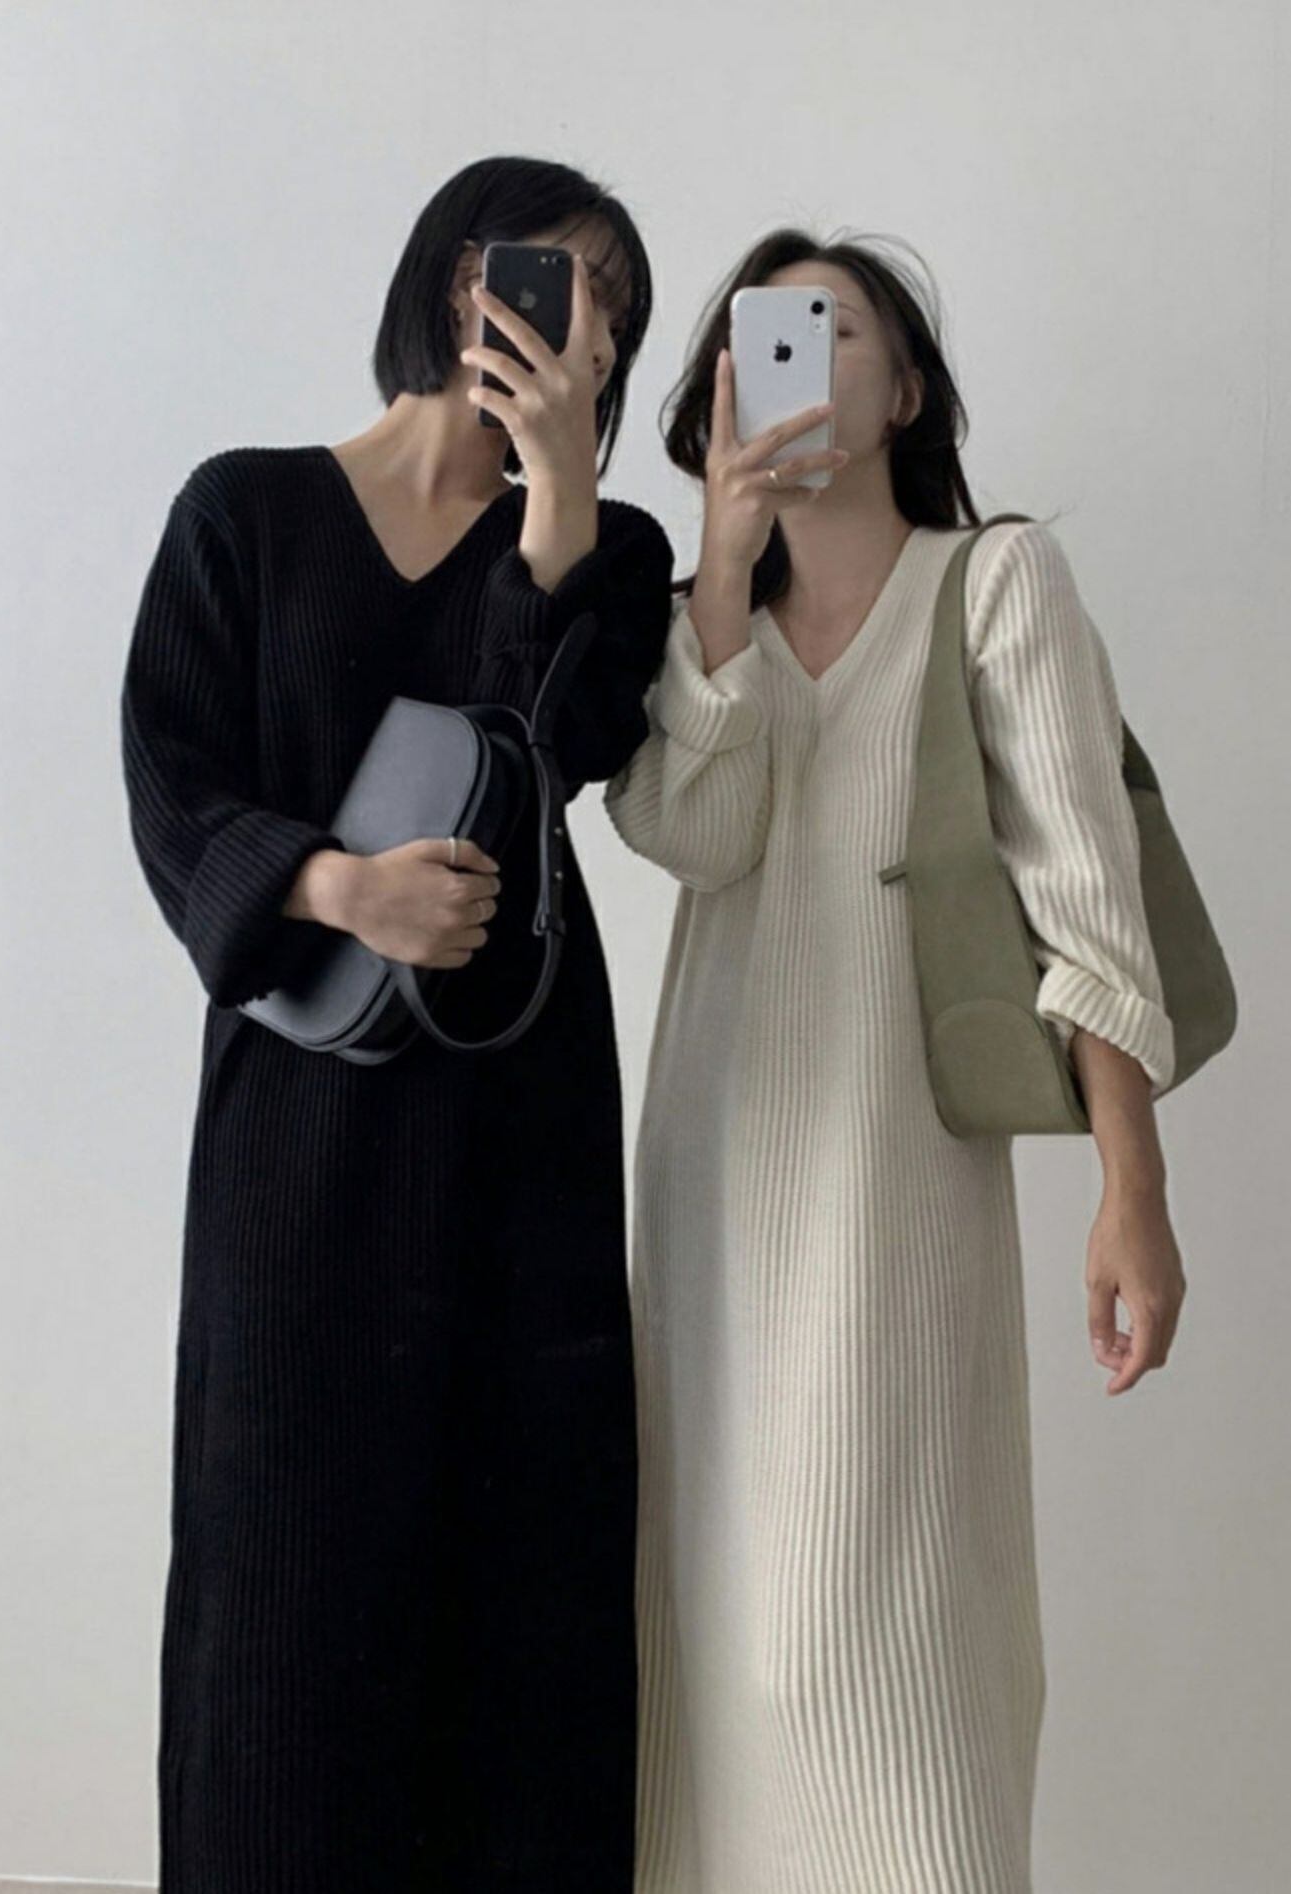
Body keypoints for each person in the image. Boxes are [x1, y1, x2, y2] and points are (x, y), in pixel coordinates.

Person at [604, 230, 1187, 1893]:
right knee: (714, 1626)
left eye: (837, 327)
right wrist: (722, 568)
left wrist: (1130, 1190)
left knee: (891, 1633)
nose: (798, 353)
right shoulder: (693, 623)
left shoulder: (991, 583)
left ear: (906, 388)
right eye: (764, 333)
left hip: (896, 1180)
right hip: (717, 1163)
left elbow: (1086, 898)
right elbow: (696, 834)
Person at [120, 155, 674, 1892]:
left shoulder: (614, 551)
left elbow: (545, 755)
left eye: (615, 310)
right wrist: (337, 887)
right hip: (303, 1134)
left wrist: (558, 501)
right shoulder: (246, 511)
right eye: (559, 281)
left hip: (518, 1123)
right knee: (282, 1587)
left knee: (527, 1585)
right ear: (458, 280)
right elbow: (170, 783)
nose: (584, 328)